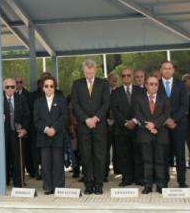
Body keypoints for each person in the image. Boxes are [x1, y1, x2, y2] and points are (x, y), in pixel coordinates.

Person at [70, 59, 111, 194]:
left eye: (91, 72)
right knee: (85, 156)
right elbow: (75, 104)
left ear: (95, 70)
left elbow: (106, 103)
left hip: (99, 126)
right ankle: (88, 184)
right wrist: (86, 119)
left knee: (99, 156)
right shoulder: (77, 84)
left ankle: (99, 185)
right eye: (87, 72)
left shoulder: (103, 84)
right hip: (84, 126)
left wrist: (95, 118)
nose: (89, 74)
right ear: (83, 70)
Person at [134, 76, 171, 193]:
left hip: (160, 133)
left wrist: (154, 124)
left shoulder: (164, 98)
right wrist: (148, 126)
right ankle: (148, 185)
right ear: (146, 85)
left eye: (156, 84)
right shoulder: (139, 99)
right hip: (145, 134)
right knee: (147, 161)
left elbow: (166, 114)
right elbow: (137, 113)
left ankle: (160, 184)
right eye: (151, 84)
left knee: (160, 160)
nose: (154, 86)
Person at [33, 75, 67, 194]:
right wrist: (46, 129)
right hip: (44, 137)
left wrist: (54, 129)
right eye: (46, 86)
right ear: (42, 88)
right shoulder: (38, 102)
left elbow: (64, 117)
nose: (49, 88)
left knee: (58, 163)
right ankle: (48, 187)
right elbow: (36, 119)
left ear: (55, 87)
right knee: (46, 164)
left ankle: (58, 187)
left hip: (57, 136)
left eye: (51, 86)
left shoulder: (61, 100)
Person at [160, 60, 189, 188]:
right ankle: (164, 182)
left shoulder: (181, 85)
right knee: (163, 155)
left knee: (180, 154)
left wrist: (174, 120)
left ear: (173, 70)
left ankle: (182, 181)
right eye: (164, 68)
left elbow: (184, 105)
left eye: (169, 68)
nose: (167, 70)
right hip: (162, 125)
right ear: (161, 70)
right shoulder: (156, 84)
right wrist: (166, 119)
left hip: (178, 124)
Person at [110, 68, 138, 187]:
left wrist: (134, 121)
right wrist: (125, 123)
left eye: (128, 75)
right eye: (123, 75)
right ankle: (126, 178)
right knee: (124, 155)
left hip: (137, 128)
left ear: (133, 76)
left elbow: (143, 108)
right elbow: (114, 109)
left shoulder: (141, 91)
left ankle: (138, 177)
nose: (126, 77)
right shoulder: (116, 92)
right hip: (121, 128)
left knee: (137, 154)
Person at [2, 77, 30, 188]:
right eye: (7, 87)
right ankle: (3, 181)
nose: (10, 89)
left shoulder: (21, 98)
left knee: (17, 159)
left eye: (12, 87)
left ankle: (19, 182)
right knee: (4, 158)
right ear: (4, 88)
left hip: (17, 133)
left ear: (15, 88)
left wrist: (25, 129)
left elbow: (27, 116)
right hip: (3, 134)